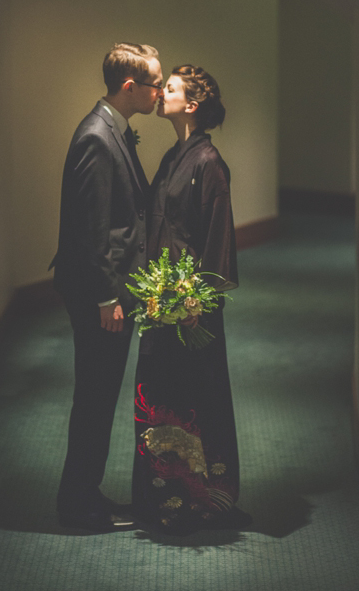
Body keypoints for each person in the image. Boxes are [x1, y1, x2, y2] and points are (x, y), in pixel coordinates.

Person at [131, 64, 250, 534]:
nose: (162, 94)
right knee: (162, 395)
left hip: (190, 310)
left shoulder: (208, 162)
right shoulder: (175, 155)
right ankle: (165, 497)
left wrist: (195, 304)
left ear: (192, 105)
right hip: (163, 302)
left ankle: (204, 500)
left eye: (172, 89)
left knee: (197, 397)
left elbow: (217, 243)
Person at [52, 42, 163, 532]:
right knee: (95, 398)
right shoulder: (98, 137)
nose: (159, 92)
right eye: (155, 84)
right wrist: (106, 298)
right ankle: (78, 507)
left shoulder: (113, 129)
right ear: (129, 87)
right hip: (100, 296)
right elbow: (90, 228)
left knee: (99, 395)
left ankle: (86, 495)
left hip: (110, 291)